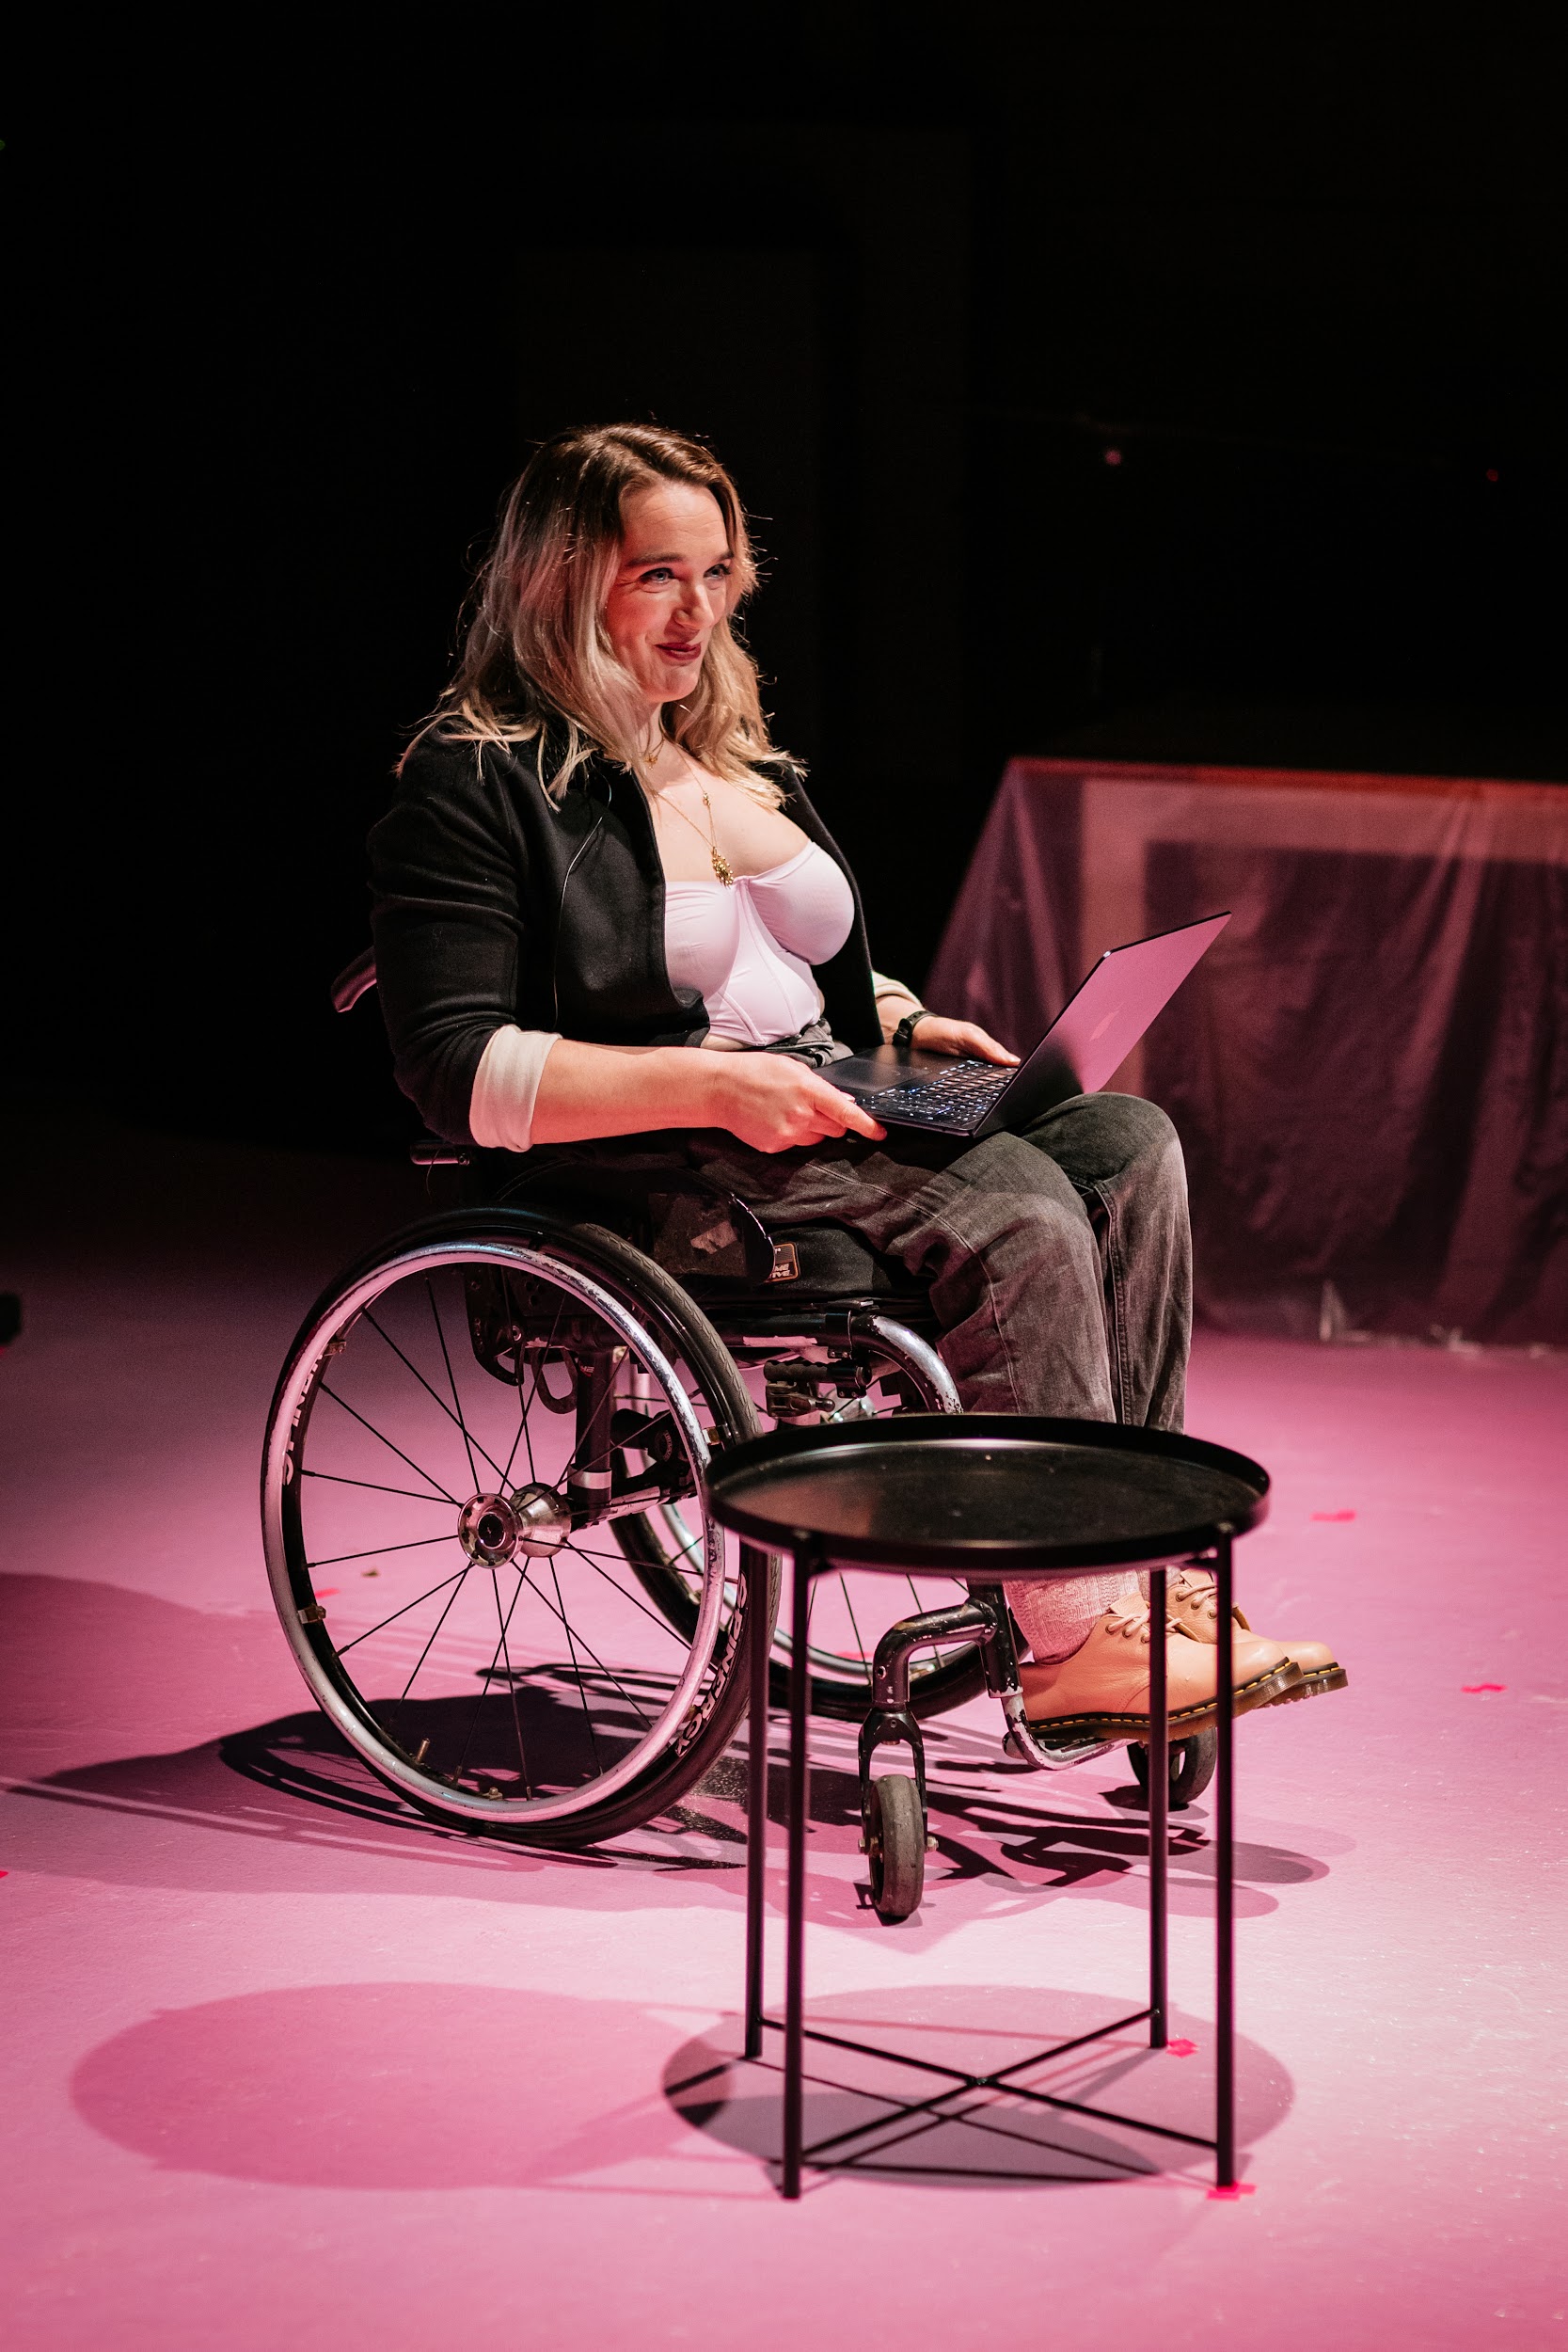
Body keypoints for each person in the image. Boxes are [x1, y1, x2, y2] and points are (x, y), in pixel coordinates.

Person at [370, 422, 1344, 1738]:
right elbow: (456, 1069)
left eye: (716, 576)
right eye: (658, 575)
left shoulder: (722, 751)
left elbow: (767, 962)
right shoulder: (476, 779)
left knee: (1127, 1144)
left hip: (811, 1100)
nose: (697, 610)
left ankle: (1147, 1586)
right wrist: (713, 1091)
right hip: (667, 1163)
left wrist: (899, 1015)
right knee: (1012, 1200)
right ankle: (1067, 1639)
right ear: (560, 580)